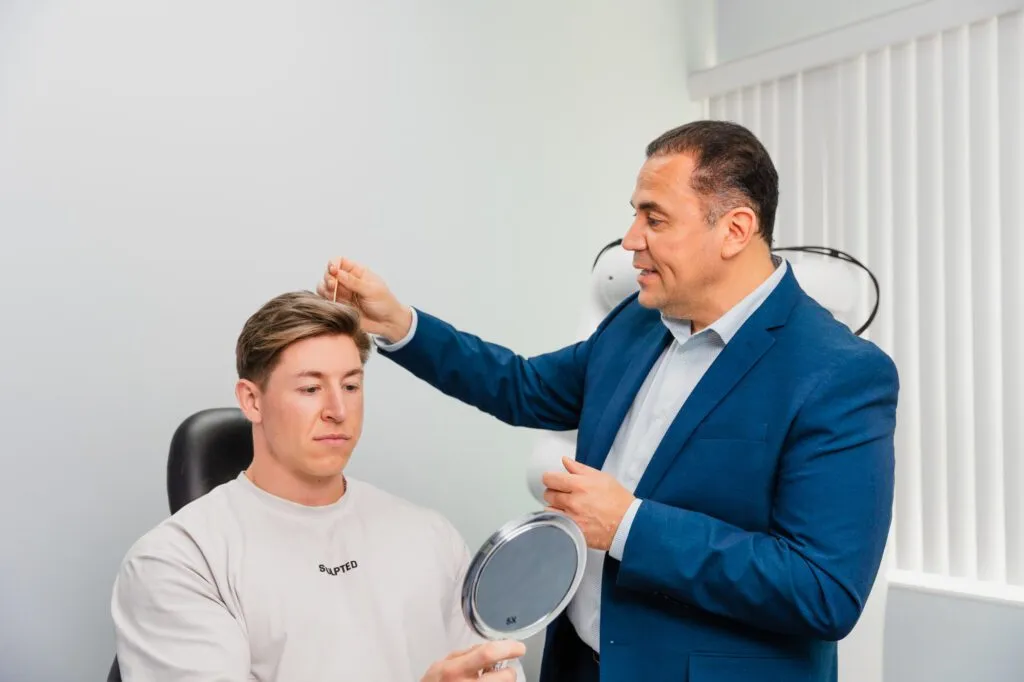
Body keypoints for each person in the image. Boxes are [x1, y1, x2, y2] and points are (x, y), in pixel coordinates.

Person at [315, 120, 900, 682]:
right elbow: (523, 386)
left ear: (735, 230)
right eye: (634, 214)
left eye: (655, 218)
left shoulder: (839, 374)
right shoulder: (636, 324)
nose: (630, 241)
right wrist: (400, 325)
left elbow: (823, 590)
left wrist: (629, 524)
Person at [110, 291, 526, 681]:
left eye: (350, 385)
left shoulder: (431, 537)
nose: (338, 410)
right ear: (252, 400)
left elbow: (493, 666)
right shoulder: (179, 561)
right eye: (311, 388)